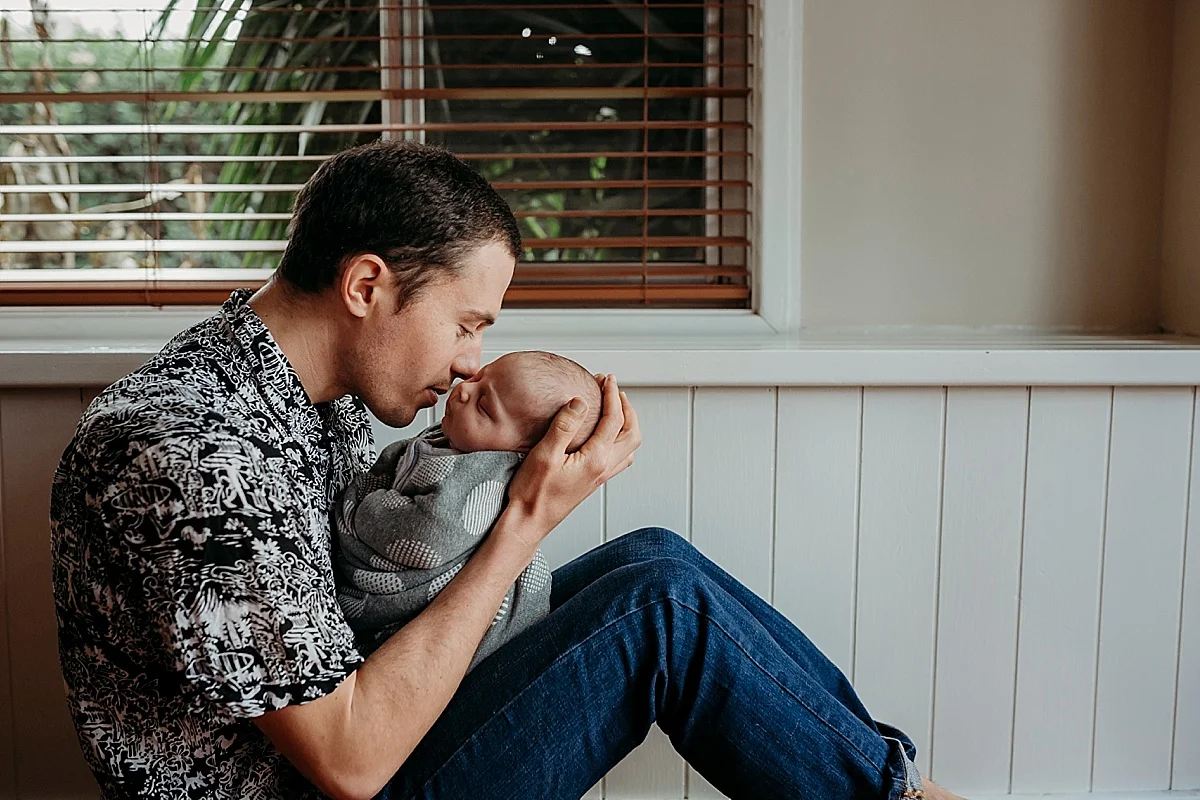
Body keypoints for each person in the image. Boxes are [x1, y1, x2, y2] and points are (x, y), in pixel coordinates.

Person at [49, 139, 965, 800]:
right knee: (659, 611)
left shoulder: (301, 393)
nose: (468, 362)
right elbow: (350, 762)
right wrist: (526, 518)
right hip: (336, 780)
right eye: (467, 324)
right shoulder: (195, 454)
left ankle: (896, 786)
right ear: (366, 286)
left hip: (378, 725)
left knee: (655, 561)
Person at [334, 351, 601, 669]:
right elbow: (392, 465)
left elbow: (428, 538)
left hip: (452, 650)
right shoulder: (452, 442)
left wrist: (361, 505)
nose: (463, 389)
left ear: (523, 451)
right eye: (478, 378)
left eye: (484, 406)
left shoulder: (483, 479)